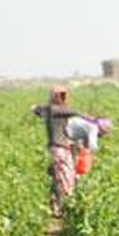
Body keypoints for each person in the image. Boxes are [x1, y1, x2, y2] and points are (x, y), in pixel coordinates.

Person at [30, 85, 81, 217]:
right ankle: (60, 207)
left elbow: (36, 109)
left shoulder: (51, 110)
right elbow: (74, 112)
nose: (62, 98)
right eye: (60, 95)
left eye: (63, 95)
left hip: (62, 147)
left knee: (62, 175)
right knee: (62, 177)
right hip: (58, 148)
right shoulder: (55, 110)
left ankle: (57, 204)